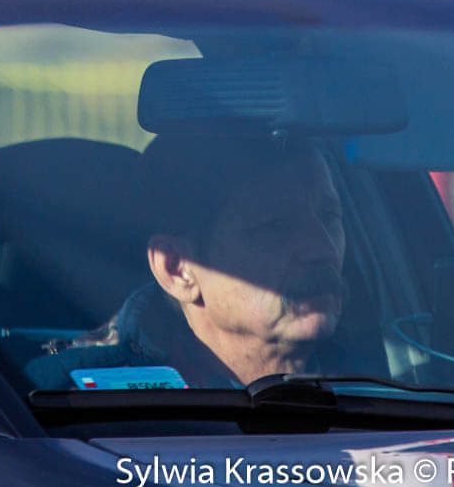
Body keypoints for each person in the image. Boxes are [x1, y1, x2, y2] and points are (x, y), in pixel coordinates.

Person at [24, 137, 355, 389]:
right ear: (177, 268)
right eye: (277, 227)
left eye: (329, 216)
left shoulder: (393, 379)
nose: (323, 248)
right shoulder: (73, 405)